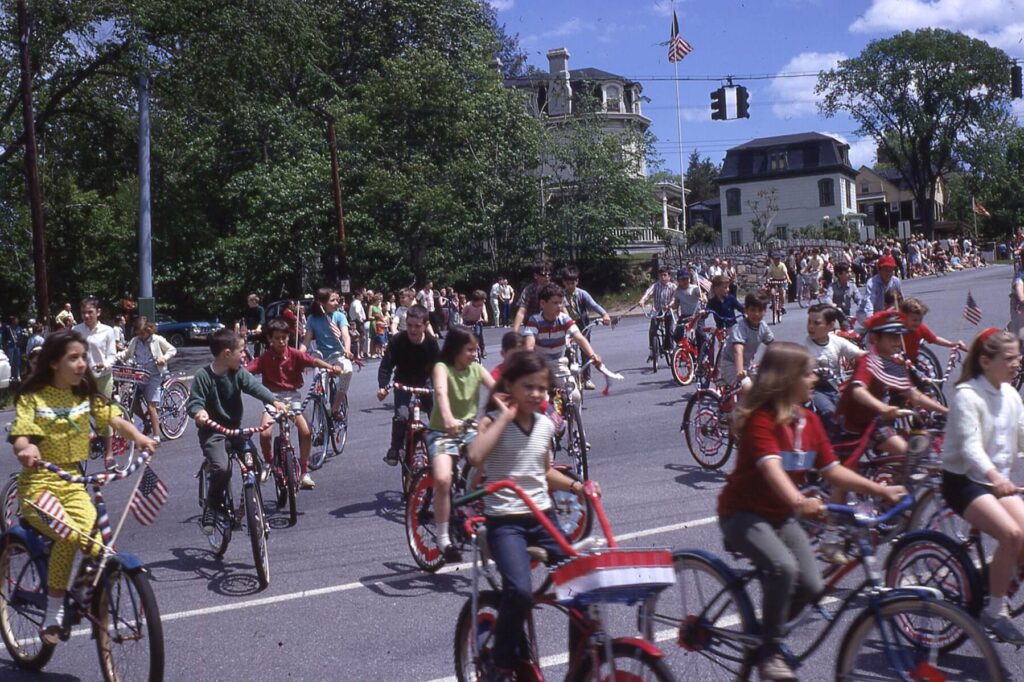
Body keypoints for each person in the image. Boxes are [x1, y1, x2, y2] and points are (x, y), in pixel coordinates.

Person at [718, 342, 906, 681]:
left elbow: (833, 470)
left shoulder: (809, 423)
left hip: (780, 515)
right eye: (807, 373)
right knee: (783, 567)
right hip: (743, 514)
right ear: (786, 379)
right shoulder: (762, 421)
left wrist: (880, 490)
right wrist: (798, 501)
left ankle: (767, 632)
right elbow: (771, 468)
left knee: (813, 582)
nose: (815, 379)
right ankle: (769, 651)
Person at [9, 330, 157, 644]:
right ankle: (54, 613)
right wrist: (26, 448)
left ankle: (81, 589)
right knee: (68, 535)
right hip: (39, 487)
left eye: (83, 357)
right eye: (72, 358)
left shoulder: (84, 394)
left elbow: (114, 420)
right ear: (53, 363)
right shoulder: (32, 398)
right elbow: (22, 432)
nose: (81, 364)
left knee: (99, 543)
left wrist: (140, 437)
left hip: (74, 483)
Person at [466, 349, 590, 679]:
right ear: (509, 385)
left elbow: (543, 471)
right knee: (519, 590)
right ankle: (501, 662)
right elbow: (476, 457)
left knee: (582, 583)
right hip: (505, 520)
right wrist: (504, 416)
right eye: (529, 387)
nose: (537, 394)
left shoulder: (545, 426)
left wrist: (579, 487)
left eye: (543, 388)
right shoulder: (492, 422)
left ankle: (580, 667)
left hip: (542, 516)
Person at [941, 328, 1024, 643]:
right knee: (1012, 534)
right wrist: (996, 478)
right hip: (965, 482)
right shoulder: (967, 395)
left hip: (994, 483)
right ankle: (995, 610)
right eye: (1010, 358)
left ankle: (986, 580)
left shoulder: (1011, 394)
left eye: (1018, 357)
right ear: (986, 361)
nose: (1017, 363)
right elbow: (970, 449)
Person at [187, 328, 287, 534]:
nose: (244, 355)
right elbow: (194, 402)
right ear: (226, 354)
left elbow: (255, 387)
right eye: (241, 351)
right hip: (213, 432)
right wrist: (199, 413)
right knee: (222, 468)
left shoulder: (238, 373)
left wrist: (274, 401)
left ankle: (249, 504)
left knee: (256, 466)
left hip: (234, 429)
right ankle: (213, 506)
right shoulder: (203, 376)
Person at [247, 319, 341, 489]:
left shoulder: (295, 354)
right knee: (265, 434)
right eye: (277, 338)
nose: (281, 341)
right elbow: (246, 371)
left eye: (284, 337)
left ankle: (304, 470)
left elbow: (313, 361)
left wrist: (330, 368)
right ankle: (268, 462)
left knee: (305, 431)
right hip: (272, 399)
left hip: (292, 397)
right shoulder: (264, 358)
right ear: (270, 339)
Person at [428, 326, 495, 561]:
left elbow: (498, 390)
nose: (474, 354)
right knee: (443, 479)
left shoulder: (477, 369)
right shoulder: (442, 368)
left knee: (492, 463)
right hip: (443, 432)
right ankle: (443, 537)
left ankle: (470, 501)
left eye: (476, 350)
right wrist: (447, 418)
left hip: (468, 431)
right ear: (456, 349)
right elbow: (440, 393)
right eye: (470, 350)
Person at [378, 305, 441, 466]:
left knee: (436, 414)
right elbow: (386, 366)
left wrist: (442, 388)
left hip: (424, 381)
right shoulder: (397, 341)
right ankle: (395, 448)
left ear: (426, 325)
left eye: (417, 326)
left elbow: (439, 368)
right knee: (402, 416)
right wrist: (383, 387)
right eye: (410, 325)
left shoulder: (431, 343)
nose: (413, 330)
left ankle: (439, 448)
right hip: (403, 381)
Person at [803, 304, 865, 435]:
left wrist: (879, 356)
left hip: (835, 387)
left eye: (816, 323)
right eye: (809, 322)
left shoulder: (837, 341)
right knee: (829, 412)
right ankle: (829, 445)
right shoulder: (805, 347)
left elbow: (860, 355)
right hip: (815, 390)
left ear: (830, 326)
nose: (811, 326)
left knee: (856, 409)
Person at [117, 316, 177, 443]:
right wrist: (115, 357)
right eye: (138, 333)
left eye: (143, 333)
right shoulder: (135, 341)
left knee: (151, 406)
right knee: (132, 402)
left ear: (149, 330)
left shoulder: (157, 340)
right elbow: (127, 354)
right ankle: (145, 422)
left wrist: (164, 358)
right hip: (139, 375)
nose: (141, 336)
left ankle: (156, 436)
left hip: (154, 375)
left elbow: (172, 350)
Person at [300, 288, 355, 420]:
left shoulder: (339, 316)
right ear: (321, 303)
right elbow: (306, 341)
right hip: (321, 358)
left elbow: (346, 335)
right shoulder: (312, 319)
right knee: (319, 391)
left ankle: (335, 408)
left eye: (338, 300)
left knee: (347, 370)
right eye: (333, 300)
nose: (337, 303)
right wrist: (298, 356)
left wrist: (347, 350)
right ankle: (320, 426)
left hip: (338, 355)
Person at [561, 266, 611, 390]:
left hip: (582, 324)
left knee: (586, 351)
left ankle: (587, 378)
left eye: (572, 283)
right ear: (563, 283)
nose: (570, 286)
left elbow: (594, 305)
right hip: (567, 325)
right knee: (569, 351)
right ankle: (569, 379)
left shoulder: (582, 294)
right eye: (567, 284)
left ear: (577, 281)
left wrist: (604, 314)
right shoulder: (561, 295)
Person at [719, 293, 774, 389]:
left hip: (746, 366)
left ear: (765, 311)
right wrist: (740, 373)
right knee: (748, 389)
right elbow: (738, 350)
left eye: (760, 310)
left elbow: (774, 346)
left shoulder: (763, 327)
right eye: (752, 310)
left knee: (768, 385)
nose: (756, 314)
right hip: (730, 365)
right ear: (746, 310)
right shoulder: (740, 327)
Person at [899, 298, 966, 367]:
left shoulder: (921, 328)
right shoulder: (897, 329)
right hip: (896, 363)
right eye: (914, 320)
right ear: (904, 317)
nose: (918, 323)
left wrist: (952, 344)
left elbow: (935, 339)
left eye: (920, 320)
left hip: (912, 363)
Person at [72, 297, 118, 399]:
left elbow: (112, 355)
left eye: (90, 312)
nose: (86, 316)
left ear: (98, 312)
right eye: (83, 312)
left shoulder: (108, 331)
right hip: (83, 377)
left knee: (103, 410)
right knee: (83, 410)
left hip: (103, 377)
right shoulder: (75, 330)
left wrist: (105, 364)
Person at [638, 266, 675, 362]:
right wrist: (642, 300)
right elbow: (648, 293)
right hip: (657, 309)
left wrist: (670, 305)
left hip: (667, 310)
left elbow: (674, 298)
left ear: (669, 276)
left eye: (665, 275)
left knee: (669, 331)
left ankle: (670, 349)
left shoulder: (673, 287)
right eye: (661, 275)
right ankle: (652, 350)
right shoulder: (656, 286)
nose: (663, 277)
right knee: (652, 329)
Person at [857, 255, 902, 324]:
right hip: (867, 313)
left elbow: (901, 301)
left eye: (891, 270)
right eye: (886, 270)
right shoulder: (872, 283)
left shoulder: (896, 281)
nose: (889, 273)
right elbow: (869, 304)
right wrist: (871, 322)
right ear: (879, 270)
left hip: (885, 312)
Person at [671, 269, 707, 353]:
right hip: (685, 316)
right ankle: (685, 349)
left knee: (700, 333)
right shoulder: (677, 292)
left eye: (686, 279)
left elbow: (702, 295)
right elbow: (676, 304)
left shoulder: (694, 288)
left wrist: (703, 298)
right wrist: (670, 306)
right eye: (682, 279)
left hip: (697, 315)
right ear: (678, 280)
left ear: (689, 279)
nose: (685, 281)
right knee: (677, 335)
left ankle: (702, 352)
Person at [512, 262, 553, 332]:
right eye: (543, 274)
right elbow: (522, 311)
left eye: (549, 274)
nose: (547, 277)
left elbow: (562, 309)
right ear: (535, 276)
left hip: (552, 325)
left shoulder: (555, 289)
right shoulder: (528, 290)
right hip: (533, 325)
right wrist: (514, 332)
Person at [822, 263, 861, 328]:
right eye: (847, 272)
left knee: (851, 333)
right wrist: (831, 304)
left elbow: (858, 298)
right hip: (835, 316)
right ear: (839, 274)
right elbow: (827, 298)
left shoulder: (852, 285)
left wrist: (861, 307)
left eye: (850, 272)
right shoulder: (832, 286)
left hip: (847, 316)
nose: (850, 274)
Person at [461, 290, 490, 358]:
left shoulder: (482, 305)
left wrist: (485, 318)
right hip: (468, 322)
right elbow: (462, 316)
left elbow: (484, 312)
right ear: (477, 300)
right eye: (483, 299)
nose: (484, 301)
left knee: (479, 335)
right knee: (468, 337)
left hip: (477, 321)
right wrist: (461, 323)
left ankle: (482, 350)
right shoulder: (468, 305)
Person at [764, 251, 791, 317]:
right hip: (774, 280)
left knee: (782, 291)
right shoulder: (771, 265)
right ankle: (773, 302)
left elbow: (785, 273)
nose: (777, 261)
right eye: (776, 259)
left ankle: (782, 305)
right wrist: (767, 279)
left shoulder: (782, 265)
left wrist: (788, 279)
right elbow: (769, 274)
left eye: (778, 259)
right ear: (773, 260)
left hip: (782, 280)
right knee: (772, 291)